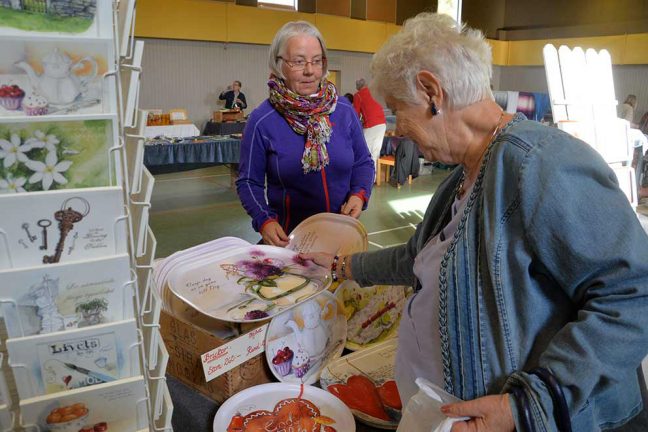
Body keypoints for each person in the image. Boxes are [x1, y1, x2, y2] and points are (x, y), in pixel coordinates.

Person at [302, 13, 648, 432]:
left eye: (397, 110)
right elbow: (417, 258)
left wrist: (526, 405)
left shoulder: (541, 164)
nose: (399, 129)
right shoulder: (462, 176)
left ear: (432, 91)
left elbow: (632, 296)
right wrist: (341, 267)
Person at [236, 21, 374, 247]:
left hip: (340, 237)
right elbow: (248, 182)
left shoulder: (344, 110)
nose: (310, 70)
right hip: (289, 241)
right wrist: (264, 220)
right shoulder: (262, 121)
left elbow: (363, 162)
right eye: (299, 62)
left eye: (317, 61)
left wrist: (359, 194)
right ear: (279, 65)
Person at [353, 78, 387, 173]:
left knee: (364, 151)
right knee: (375, 152)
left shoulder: (358, 95)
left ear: (357, 87)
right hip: (382, 124)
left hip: (371, 124)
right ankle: (373, 177)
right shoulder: (373, 92)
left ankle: (364, 175)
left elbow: (355, 114)